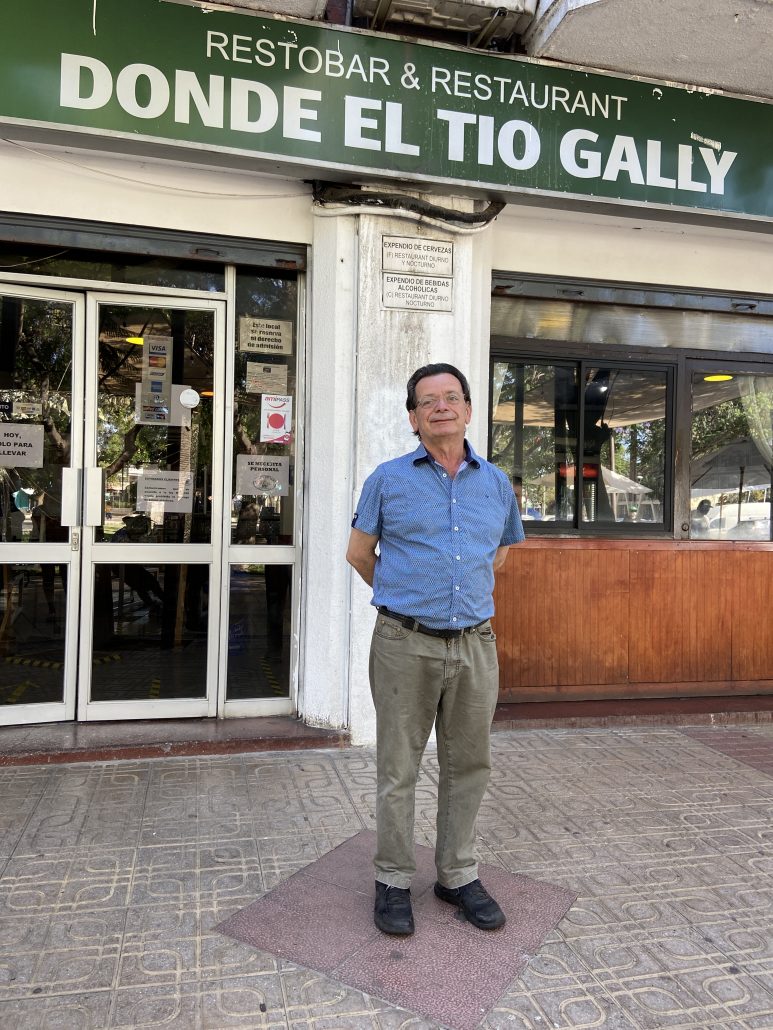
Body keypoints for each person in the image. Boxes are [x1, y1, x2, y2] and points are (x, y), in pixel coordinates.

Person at [346, 363, 525, 937]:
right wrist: (405, 596)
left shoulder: (496, 483)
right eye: (429, 401)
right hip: (404, 643)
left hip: (476, 645)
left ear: (469, 410)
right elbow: (358, 553)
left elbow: (499, 554)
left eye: (452, 398)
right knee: (398, 767)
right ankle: (394, 880)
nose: (441, 407)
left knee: (468, 764)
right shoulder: (387, 480)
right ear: (413, 417)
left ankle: (457, 875)